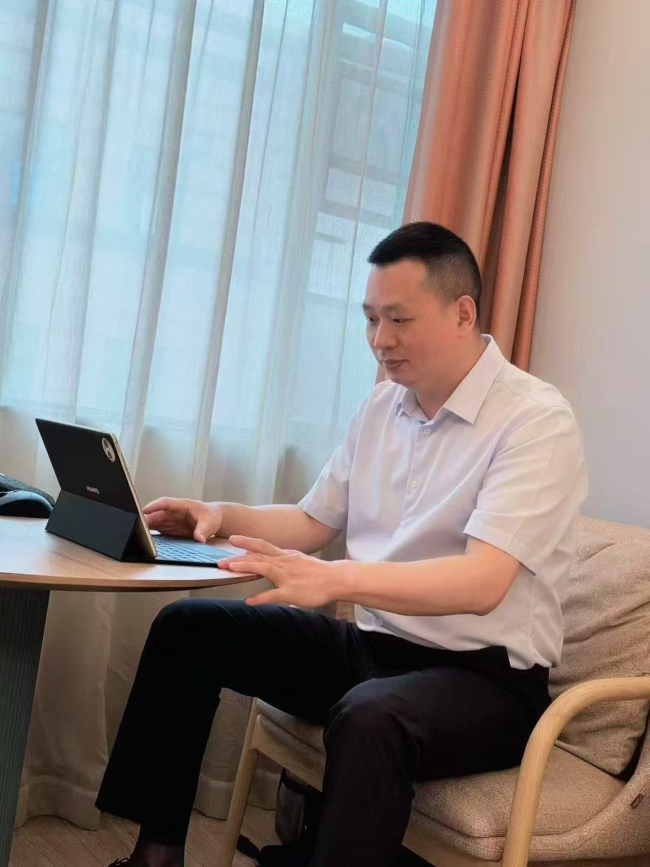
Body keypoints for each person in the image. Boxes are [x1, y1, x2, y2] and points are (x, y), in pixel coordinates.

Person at [98, 222, 587, 867]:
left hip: (487, 684)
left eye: (399, 319)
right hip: (375, 650)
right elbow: (311, 520)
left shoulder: (535, 420)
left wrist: (336, 579)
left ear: (463, 313)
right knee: (188, 630)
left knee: (370, 716)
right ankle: (155, 857)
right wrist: (218, 513)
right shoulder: (383, 407)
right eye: (370, 319)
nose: (380, 340)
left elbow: (483, 582)